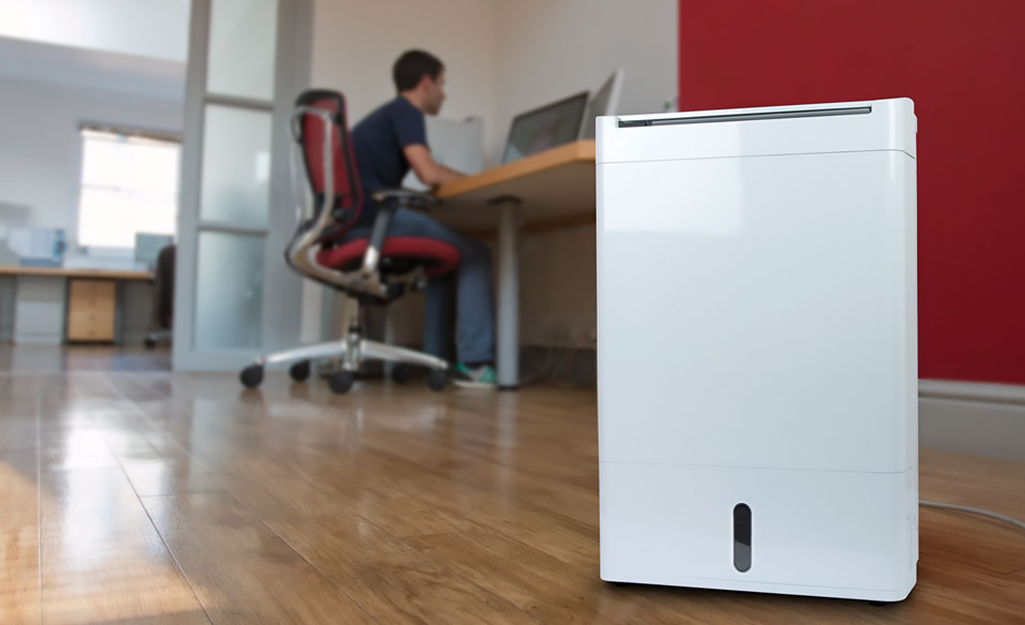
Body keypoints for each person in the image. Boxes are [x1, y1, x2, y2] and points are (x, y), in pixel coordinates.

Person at [348, 50, 496, 389]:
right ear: (426, 83)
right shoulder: (406, 112)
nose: (444, 93)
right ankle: (474, 364)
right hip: (374, 222)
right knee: (475, 254)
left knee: (441, 261)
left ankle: (437, 363)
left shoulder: (384, 117)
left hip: (353, 221)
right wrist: (475, 181)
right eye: (442, 84)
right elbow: (428, 172)